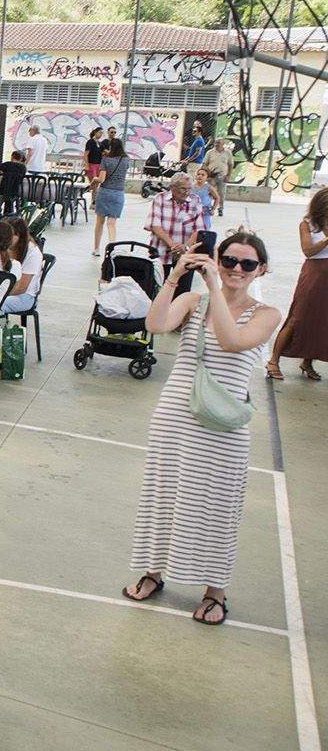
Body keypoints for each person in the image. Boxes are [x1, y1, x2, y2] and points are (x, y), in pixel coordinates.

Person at [122, 232, 280, 626]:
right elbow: (155, 324)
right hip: (175, 418)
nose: (236, 269)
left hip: (223, 429)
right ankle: (153, 571)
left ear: (261, 269)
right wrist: (175, 277)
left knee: (216, 509)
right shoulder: (193, 301)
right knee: (163, 498)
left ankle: (215, 591)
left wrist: (213, 289)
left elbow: (231, 341)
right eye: (228, 260)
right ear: (217, 259)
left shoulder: (266, 314)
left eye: (247, 263)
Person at [266, 188, 328, 382]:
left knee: (322, 320)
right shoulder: (307, 224)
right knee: (298, 317)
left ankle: (308, 362)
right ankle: (273, 361)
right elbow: (308, 250)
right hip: (314, 274)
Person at [145, 173, 204, 296]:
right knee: (157, 291)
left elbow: (199, 229)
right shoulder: (160, 198)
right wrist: (172, 245)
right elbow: (155, 225)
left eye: (189, 189)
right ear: (172, 187)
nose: (187, 192)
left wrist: (185, 246)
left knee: (182, 292)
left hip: (186, 253)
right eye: (183, 189)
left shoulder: (195, 200)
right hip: (161, 251)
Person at [91, 137, 130, 255]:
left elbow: (101, 179)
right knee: (111, 224)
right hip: (118, 194)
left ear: (111, 147)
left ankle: (96, 249)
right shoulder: (126, 160)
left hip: (105, 193)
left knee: (99, 223)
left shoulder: (106, 160)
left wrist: (94, 179)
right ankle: (112, 248)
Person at [0, 217, 45, 316]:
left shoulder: (33, 253)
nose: (4, 239)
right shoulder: (8, 247)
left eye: (9, 236)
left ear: (19, 235)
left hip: (24, 297)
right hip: (5, 290)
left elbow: (21, 288)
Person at [204, 137, 234, 217]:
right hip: (211, 175)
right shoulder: (210, 152)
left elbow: (230, 164)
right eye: (216, 142)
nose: (216, 144)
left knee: (221, 193)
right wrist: (207, 175)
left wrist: (228, 175)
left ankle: (220, 209)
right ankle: (208, 207)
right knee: (209, 192)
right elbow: (205, 164)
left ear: (223, 144)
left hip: (222, 176)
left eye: (219, 143)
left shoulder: (227, 153)